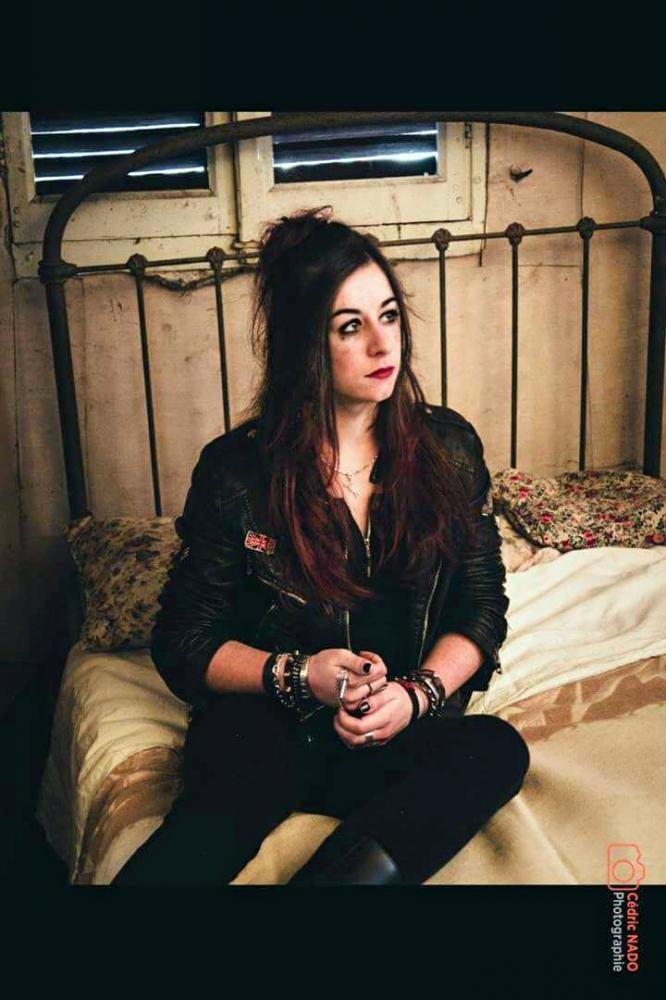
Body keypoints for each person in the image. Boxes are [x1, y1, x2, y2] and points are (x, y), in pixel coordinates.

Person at [113, 206, 529, 886]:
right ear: (306, 344)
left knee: (495, 748)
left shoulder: (449, 450)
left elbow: (480, 608)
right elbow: (184, 640)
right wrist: (299, 674)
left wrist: (417, 694)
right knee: (225, 791)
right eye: (350, 326)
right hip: (271, 726)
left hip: (396, 728)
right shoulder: (235, 473)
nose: (382, 345)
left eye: (389, 316)